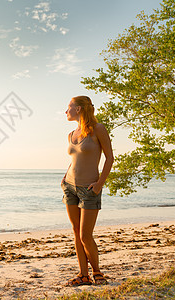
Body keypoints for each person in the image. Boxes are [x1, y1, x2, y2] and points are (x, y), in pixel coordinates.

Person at [61, 95, 114, 286]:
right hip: (69, 186)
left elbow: (109, 158)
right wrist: (65, 178)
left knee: (85, 235)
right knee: (76, 232)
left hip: (90, 188)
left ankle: (97, 272)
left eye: (69, 106)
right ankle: (83, 275)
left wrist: (100, 183)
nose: (66, 111)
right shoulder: (71, 134)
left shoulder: (98, 129)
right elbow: (75, 160)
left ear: (80, 109)